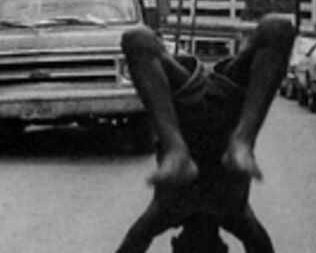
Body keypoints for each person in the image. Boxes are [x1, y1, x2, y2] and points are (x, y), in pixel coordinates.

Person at [114, 14, 295, 253]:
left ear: (176, 245)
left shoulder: (166, 211)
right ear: (222, 248)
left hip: (183, 102)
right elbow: (260, 246)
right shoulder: (234, 213)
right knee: (278, 28)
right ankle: (242, 140)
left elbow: (132, 245)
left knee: (136, 38)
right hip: (227, 102)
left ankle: (175, 148)